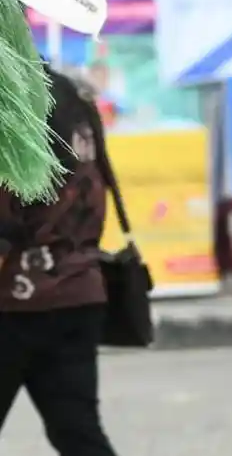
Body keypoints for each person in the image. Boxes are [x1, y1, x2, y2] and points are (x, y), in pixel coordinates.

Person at [0, 64, 119, 456]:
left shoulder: (11, 98)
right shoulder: (70, 93)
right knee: (78, 433)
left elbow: (6, 221)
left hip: (14, 300)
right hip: (77, 288)